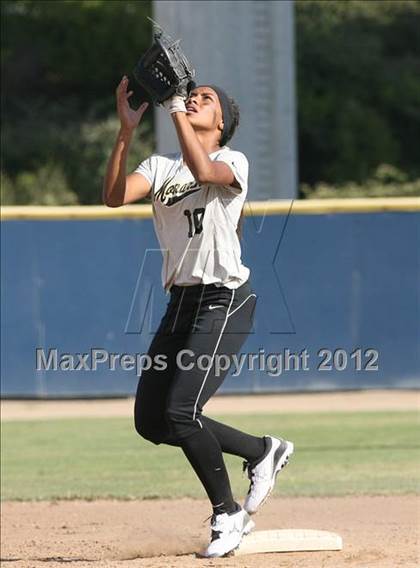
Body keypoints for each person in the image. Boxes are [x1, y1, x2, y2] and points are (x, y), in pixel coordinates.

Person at [103, 76, 294, 558]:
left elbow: (205, 171)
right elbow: (114, 196)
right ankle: (261, 451)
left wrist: (173, 109)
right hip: (182, 303)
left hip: (225, 300)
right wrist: (126, 130)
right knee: (153, 422)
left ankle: (227, 515)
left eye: (205, 100)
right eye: (193, 96)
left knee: (181, 411)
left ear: (222, 123)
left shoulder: (232, 161)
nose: (194, 100)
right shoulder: (160, 166)